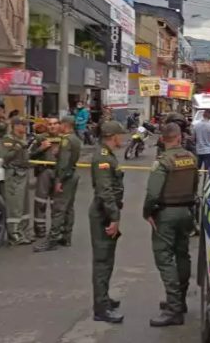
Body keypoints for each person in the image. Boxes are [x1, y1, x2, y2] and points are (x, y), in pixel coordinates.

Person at [144, 122, 198, 327]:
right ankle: (180, 301)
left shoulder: (163, 161)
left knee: (165, 259)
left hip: (166, 214)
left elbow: (152, 194)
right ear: (179, 138)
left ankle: (174, 309)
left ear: (162, 139)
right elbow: (194, 187)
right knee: (182, 254)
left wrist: (147, 213)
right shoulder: (191, 158)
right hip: (186, 212)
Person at [89, 120, 125, 323]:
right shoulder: (102, 158)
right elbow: (104, 191)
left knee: (107, 260)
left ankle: (104, 299)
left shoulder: (107, 155)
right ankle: (101, 308)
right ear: (113, 136)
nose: (122, 138)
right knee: (102, 262)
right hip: (103, 214)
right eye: (120, 135)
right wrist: (114, 217)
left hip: (107, 210)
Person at [34, 116, 82, 252]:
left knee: (58, 209)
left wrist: (60, 181)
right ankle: (66, 237)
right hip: (72, 176)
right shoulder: (75, 139)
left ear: (65, 125)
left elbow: (64, 164)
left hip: (65, 177)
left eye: (59, 123)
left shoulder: (67, 140)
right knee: (68, 208)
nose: (57, 126)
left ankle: (52, 240)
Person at [29, 115, 61, 238]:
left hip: (58, 173)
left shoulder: (65, 139)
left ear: (59, 125)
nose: (52, 126)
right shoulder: (39, 138)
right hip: (44, 172)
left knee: (57, 203)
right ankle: (39, 230)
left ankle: (55, 230)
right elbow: (29, 156)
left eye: (55, 124)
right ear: (46, 126)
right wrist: (41, 149)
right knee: (40, 202)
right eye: (50, 124)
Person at [3, 118, 33, 245]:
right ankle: (14, 235)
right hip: (14, 174)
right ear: (15, 126)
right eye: (22, 125)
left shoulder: (23, 139)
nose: (25, 127)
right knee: (15, 204)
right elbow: (5, 157)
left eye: (26, 125)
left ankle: (24, 231)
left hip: (24, 173)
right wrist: (17, 148)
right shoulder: (8, 140)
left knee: (25, 204)